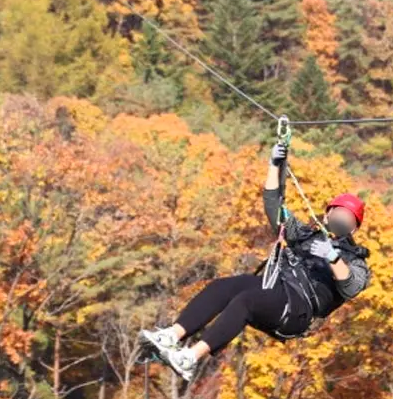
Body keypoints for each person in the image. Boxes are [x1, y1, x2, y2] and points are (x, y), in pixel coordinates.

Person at [140, 140, 371, 380]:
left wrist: (332, 257)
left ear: (354, 229)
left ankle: (189, 358)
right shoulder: (303, 235)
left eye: (348, 218)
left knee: (246, 300)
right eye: (339, 213)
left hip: (297, 311)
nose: (342, 218)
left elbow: (351, 286)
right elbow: (273, 204)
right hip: (274, 291)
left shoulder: (354, 259)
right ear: (327, 213)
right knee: (225, 286)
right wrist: (274, 165)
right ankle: (172, 336)